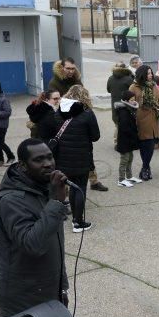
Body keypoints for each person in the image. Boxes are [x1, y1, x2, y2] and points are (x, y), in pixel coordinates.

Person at [0, 138, 70, 317]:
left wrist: (62, 286)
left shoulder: (43, 188)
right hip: (24, 302)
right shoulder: (11, 200)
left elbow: (52, 239)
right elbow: (33, 245)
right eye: (38, 160)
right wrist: (57, 202)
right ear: (22, 166)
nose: (47, 164)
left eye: (50, 157)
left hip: (51, 292)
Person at [53, 86, 100, 232]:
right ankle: (78, 222)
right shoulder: (87, 113)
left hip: (62, 158)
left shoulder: (59, 111)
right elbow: (95, 136)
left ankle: (73, 217)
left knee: (71, 186)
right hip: (81, 157)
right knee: (80, 189)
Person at [65, 84, 107, 193]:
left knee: (65, 169)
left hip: (64, 148)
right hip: (82, 148)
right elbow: (95, 136)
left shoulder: (60, 109)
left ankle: (63, 194)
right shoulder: (87, 112)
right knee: (86, 166)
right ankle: (91, 183)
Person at [129, 64, 159, 181]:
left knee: (150, 144)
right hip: (141, 118)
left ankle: (145, 167)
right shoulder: (134, 87)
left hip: (153, 117)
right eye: (148, 73)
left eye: (151, 73)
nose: (151, 75)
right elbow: (128, 101)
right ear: (142, 74)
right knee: (144, 144)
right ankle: (146, 168)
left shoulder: (154, 86)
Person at [114, 91, 142, 187]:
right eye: (131, 100)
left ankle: (129, 176)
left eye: (134, 99)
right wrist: (133, 133)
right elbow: (125, 128)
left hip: (129, 140)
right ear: (126, 101)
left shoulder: (129, 109)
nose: (134, 102)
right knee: (124, 159)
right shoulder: (124, 112)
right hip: (124, 140)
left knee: (130, 157)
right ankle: (121, 179)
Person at [106, 62, 134, 136]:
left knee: (117, 124)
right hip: (126, 105)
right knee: (125, 124)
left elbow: (108, 90)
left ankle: (117, 142)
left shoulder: (110, 78)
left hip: (114, 105)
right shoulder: (129, 79)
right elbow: (133, 92)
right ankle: (121, 142)